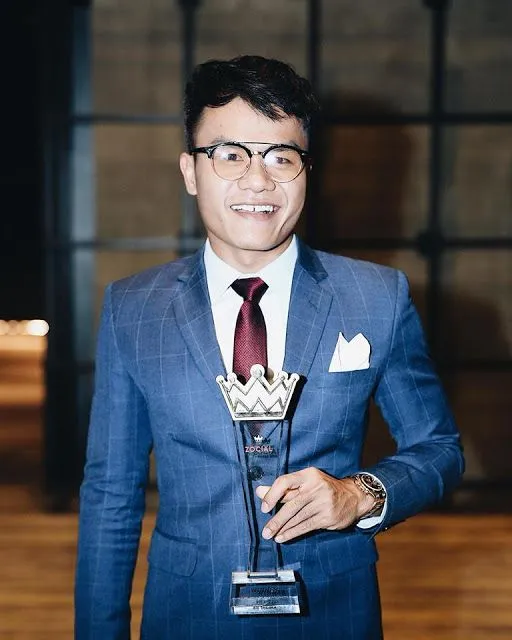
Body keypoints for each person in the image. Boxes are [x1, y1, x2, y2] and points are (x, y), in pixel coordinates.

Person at [74, 55, 464, 639]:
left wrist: (360, 494)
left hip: (334, 614)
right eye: (229, 154)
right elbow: (111, 493)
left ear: (308, 171)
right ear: (190, 170)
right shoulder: (134, 308)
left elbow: (439, 449)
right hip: (188, 613)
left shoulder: (375, 297)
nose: (258, 180)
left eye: (282, 156)